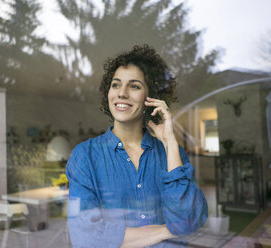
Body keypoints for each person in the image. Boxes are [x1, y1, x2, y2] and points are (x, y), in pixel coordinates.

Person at [66, 44, 208, 247]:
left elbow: (190, 217)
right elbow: (86, 238)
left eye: (134, 86)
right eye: (115, 84)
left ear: (151, 97)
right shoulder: (85, 156)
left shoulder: (171, 154)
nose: (121, 93)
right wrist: (169, 230)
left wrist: (169, 143)